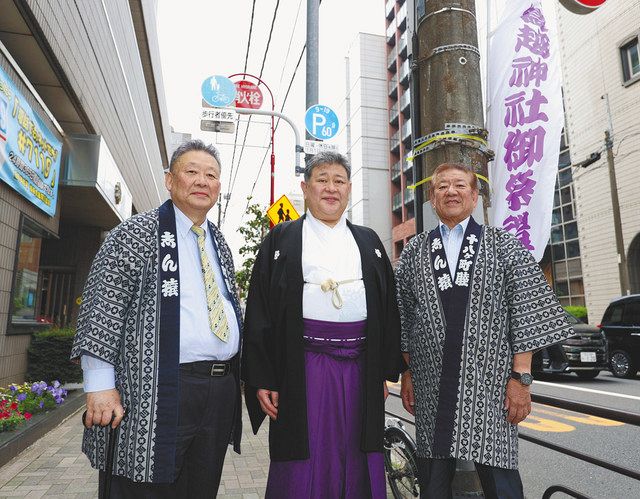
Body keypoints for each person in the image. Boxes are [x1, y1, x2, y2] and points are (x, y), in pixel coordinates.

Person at [71, 139, 243, 498]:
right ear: (170, 180)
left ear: (218, 187)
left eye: (210, 175)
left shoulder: (219, 243)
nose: (202, 181)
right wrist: (99, 385)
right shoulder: (134, 233)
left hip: (217, 390)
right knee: (143, 481)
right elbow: (103, 307)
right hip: (155, 387)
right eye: (191, 172)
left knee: (200, 485)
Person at [395, 163, 573, 499]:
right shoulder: (415, 251)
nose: (451, 192)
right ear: (432, 197)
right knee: (433, 483)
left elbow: (527, 309)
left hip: (490, 389)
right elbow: (403, 316)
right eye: (442, 186)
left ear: (475, 196)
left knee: (502, 484)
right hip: (433, 388)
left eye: (460, 185)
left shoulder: (503, 245)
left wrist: (521, 379)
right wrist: (408, 373)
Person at [242, 151, 403, 498]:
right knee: (304, 452)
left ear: (348, 189)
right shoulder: (280, 239)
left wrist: (381, 371)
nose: (331, 188)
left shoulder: (369, 241)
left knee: (361, 450)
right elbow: (260, 312)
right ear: (305, 187)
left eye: (339, 181)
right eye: (322, 179)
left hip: (361, 366)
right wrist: (265, 377)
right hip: (301, 366)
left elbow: (387, 308)